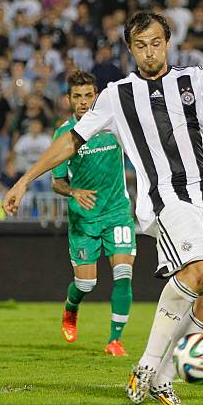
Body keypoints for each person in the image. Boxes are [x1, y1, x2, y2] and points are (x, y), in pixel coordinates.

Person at [2, 11, 203, 405]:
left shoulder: (196, 80)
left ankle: (164, 378)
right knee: (199, 267)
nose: (149, 52)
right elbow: (71, 141)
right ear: (130, 48)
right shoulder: (116, 95)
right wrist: (23, 180)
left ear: (167, 42)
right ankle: (146, 365)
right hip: (166, 198)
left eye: (156, 43)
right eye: (141, 45)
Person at [50, 69, 136, 357]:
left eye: (89, 95)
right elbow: (57, 181)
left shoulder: (113, 124)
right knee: (86, 283)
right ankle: (71, 309)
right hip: (84, 218)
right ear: (68, 99)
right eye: (77, 96)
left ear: (96, 96)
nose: (84, 102)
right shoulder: (64, 134)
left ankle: (115, 340)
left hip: (117, 212)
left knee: (124, 274)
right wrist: (73, 191)